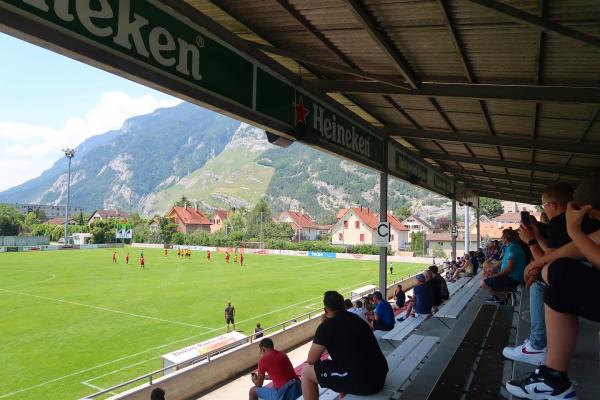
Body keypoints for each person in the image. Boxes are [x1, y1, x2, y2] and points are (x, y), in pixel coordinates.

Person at [506, 196, 600, 399]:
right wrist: (537, 241)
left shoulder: (560, 223)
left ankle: (540, 351)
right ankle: (552, 374)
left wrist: (571, 230)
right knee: (553, 273)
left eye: (544, 205)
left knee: (554, 274)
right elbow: (568, 250)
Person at [301, 291, 388, 399]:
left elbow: (311, 360)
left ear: (325, 310)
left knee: (305, 372)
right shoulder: (356, 318)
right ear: (343, 305)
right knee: (338, 365)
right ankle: (343, 396)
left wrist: (322, 326)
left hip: (366, 383)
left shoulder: (326, 327)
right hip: (380, 375)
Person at [482, 229, 526, 303]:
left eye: (502, 237)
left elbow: (509, 268)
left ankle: (502, 298)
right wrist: (492, 269)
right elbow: (503, 261)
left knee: (484, 283)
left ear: (506, 238)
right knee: (485, 274)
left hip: (513, 279)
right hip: (510, 276)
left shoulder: (512, 248)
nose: (501, 238)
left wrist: (496, 275)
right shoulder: (511, 246)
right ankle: (502, 295)